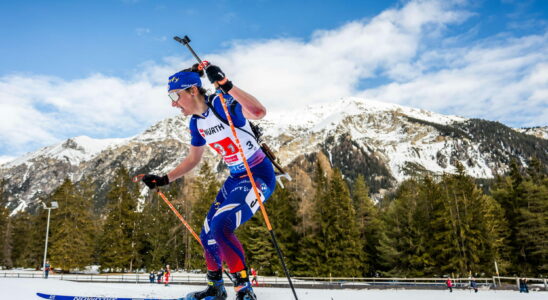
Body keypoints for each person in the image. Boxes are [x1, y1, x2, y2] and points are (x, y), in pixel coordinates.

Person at [141, 63, 276, 300]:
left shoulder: (221, 105)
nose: (173, 103)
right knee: (207, 236)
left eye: (175, 95)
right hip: (236, 177)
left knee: (221, 226)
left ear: (193, 91)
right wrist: (163, 179)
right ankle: (216, 288)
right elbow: (193, 159)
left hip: (258, 174)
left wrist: (226, 85)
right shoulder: (196, 122)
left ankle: (244, 291)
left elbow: (258, 112)